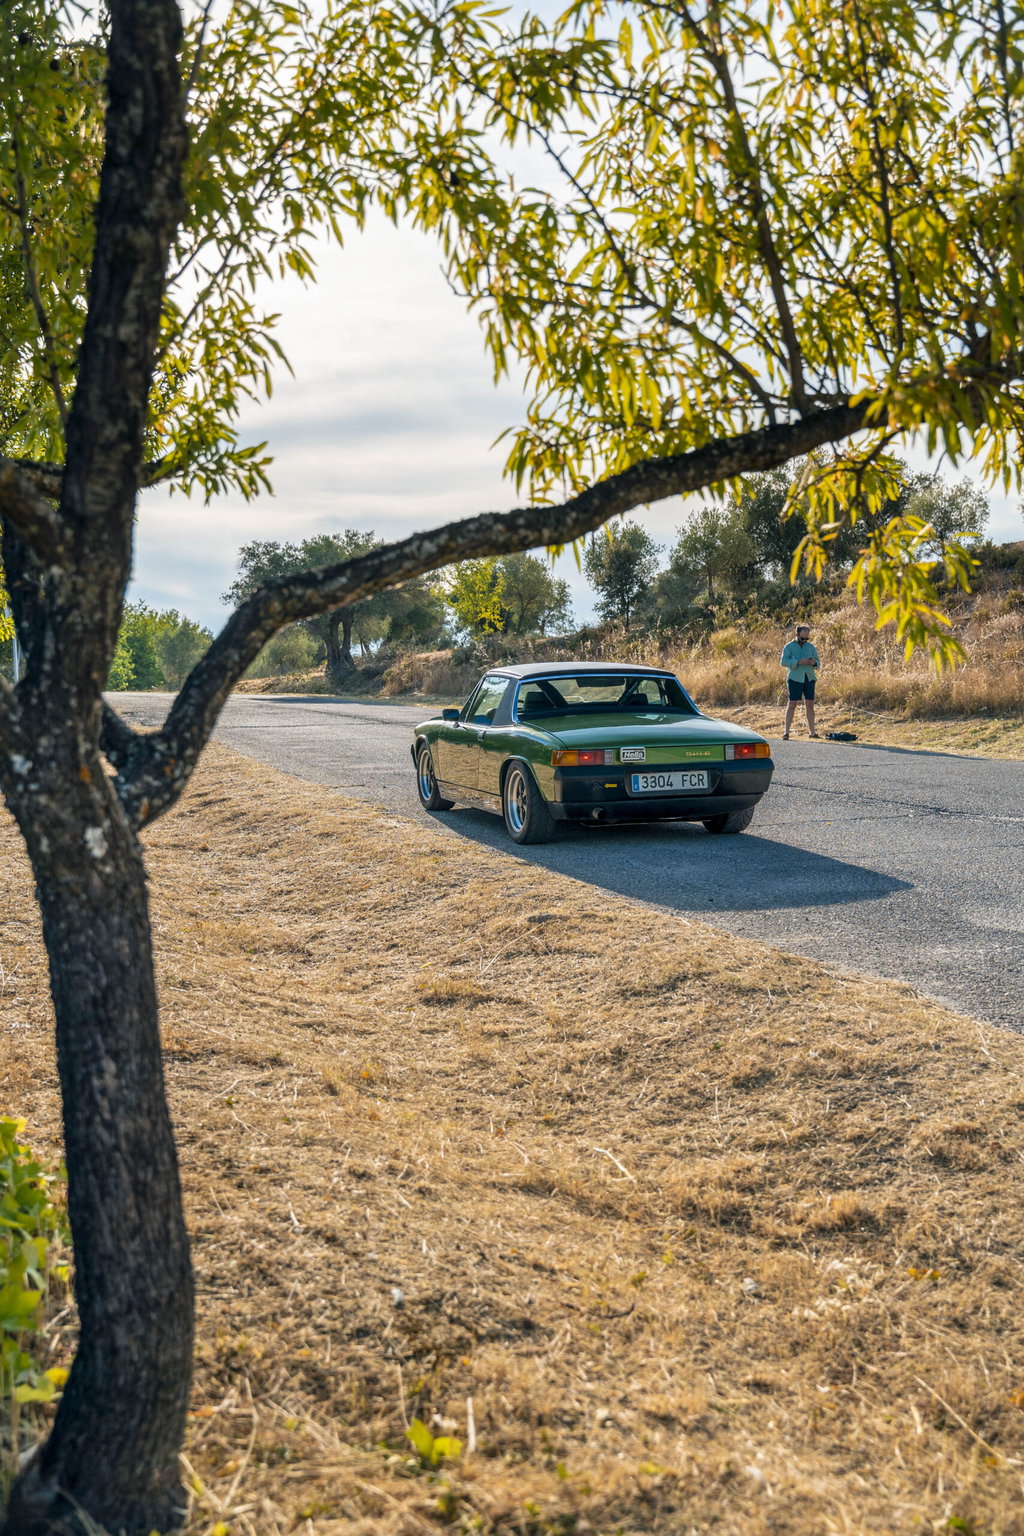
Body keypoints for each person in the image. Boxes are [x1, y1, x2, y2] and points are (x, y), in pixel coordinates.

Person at [780, 623, 820, 740]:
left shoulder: (811, 647)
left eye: (807, 638)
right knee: (792, 704)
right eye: (803, 638)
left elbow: (818, 663)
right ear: (797, 635)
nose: (805, 640)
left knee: (810, 704)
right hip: (794, 678)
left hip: (809, 677)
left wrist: (814, 663)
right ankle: (786, 732)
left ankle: (812, 733)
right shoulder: (789, 646)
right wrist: (797, 662)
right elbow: (783, 662)